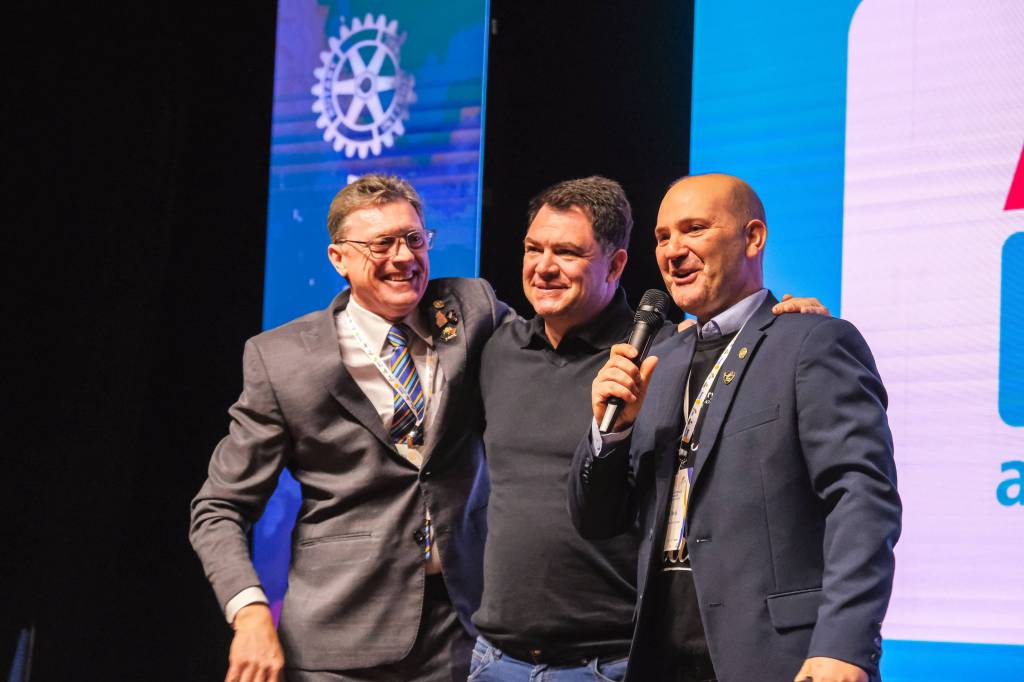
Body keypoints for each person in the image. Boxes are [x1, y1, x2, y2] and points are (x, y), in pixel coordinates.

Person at [470, 176, 830, 681]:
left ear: (616, 265)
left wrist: (791, 322)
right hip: (493, 659)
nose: (544, 266)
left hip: (613, 660)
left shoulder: (666, 352)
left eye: (567, 252)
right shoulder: (494, 347)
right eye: (534, 249)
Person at [569, 173, 901, 682]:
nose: (673, 250)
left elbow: (862, 499)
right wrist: (608, 433)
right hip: (662, 659)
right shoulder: (658, 361)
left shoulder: (810, 342)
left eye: (694, 229)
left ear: (753, 238)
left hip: (781, 659)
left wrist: (845, 644)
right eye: (662, 237)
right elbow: (598, 521)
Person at [189, 174, 509, 682]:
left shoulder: (471, 308)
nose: (404, 257)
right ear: (338, 258)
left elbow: (544, 358)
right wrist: (249, 614)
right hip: (337, 642)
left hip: (462, 633)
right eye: (382, 244)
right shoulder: (282, 360)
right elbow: (219, 508)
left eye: (414, 238)